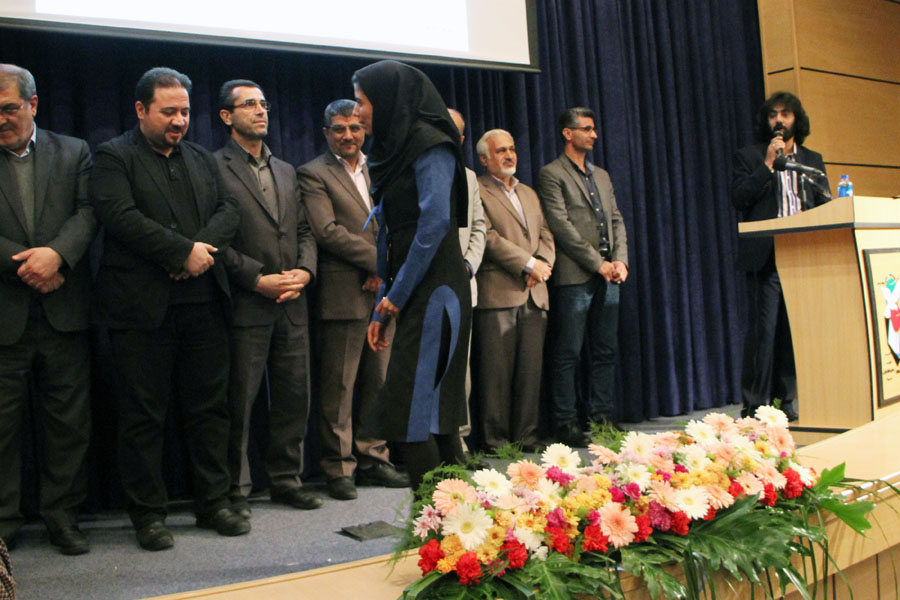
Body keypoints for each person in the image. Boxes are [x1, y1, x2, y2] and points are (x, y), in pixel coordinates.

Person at [89, 67, 248, 551]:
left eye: (185, 111)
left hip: (204, 306)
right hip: (140, 312)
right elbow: (119, 217)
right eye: (169, 112)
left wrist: (198, 251)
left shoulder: (200, 157)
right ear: (141, 110)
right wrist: (181, 253)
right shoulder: (114, 156)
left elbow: (229, 210)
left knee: (209, 411)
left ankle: (214, 502)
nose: (179, 120)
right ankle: (148, 515)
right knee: (142, 417)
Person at [352, 60, 471, 490]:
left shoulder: (430, 143)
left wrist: (395, 298)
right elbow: (390, 235)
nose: (357, 112)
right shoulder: (392, 149)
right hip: (414, 288)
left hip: (438, 290)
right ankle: (458, 522)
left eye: (362, 102)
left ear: (388, 100)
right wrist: (383, 307)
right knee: (428, 414)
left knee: (417, 414)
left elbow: (434, 225)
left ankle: (440, 521)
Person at [214, 80, 322, 516]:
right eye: (249, 105)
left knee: (294, 398)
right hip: (247, 303)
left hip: (292, 302)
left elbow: (303, 231)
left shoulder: (286, 169)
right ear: (227, 116)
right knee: (239, 402)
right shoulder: (213, 166)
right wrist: (255, 279)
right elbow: (213, 240)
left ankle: (286, 480)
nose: (260, 111)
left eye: (263, 104)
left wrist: (305, 271)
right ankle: (235, 490)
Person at [0, 63, 96, 555]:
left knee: (67, 425)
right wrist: (30, 265)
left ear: (33, 104)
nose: (1, 119)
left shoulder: (74, 150)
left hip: (64, 311)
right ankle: (3, 522)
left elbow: (89, 212)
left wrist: (57, 255)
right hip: (6, 314)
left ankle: (63, 517)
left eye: (8, 108)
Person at [297, 99, 409, 501]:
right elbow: (327, 231)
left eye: (355, 128)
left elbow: (397, 221)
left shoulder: (381, 167)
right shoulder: (312, 173)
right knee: (339, 387)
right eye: (340, 129)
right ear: (326, 133)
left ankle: (373, 457)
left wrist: (387, 270)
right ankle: (338, 467)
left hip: (384, 293)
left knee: (380, 382)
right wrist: (378, 262)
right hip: (343, 293)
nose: (348, 135)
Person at [732, 91, 830, 422]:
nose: (778, 120)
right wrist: (767, 166)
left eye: (785, 114)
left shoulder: (812, 160)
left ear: (795, 120)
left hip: (803, 256)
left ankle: (786, 400)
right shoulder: (750, 157)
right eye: (773, 114)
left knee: (793, 332)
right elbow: (739, 198)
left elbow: (825, 202)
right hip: (767, 258)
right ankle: (753, 406)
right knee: (763, 332)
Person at [538, 107, 629, 448]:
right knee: (569, 352)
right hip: (576, 275)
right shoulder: (552, 174)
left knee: (605, 349)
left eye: (594, 129)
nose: (593, 135)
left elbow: (616, 219)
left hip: (609, 275)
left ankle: (602, 416)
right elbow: (561, 226)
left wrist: (619, 260)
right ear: (568, 133)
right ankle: (566, 421)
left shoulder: (601, 175)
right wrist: (597, 263)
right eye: (586, 129)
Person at [473, 129, 554, 451]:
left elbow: (546, 233)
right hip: (498, 294)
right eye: (501, 151)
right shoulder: (477, 190)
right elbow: (487, 236)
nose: (509, 155)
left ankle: (526, 437)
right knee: (496, 375)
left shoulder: (529, 192)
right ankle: (495, 441)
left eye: (512, 149)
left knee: (530, 373)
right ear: (484, 159)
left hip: (535, 293)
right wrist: (527, 264)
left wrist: (542, 264)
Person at [446, 108, 486, 454]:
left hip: (462, 285)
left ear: (460, 139)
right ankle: (434, 444)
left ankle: (459, 440)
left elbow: (479, 227)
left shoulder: (469, 177)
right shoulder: (411, 170)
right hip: (426, 289)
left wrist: (468, 265)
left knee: (461, 371)